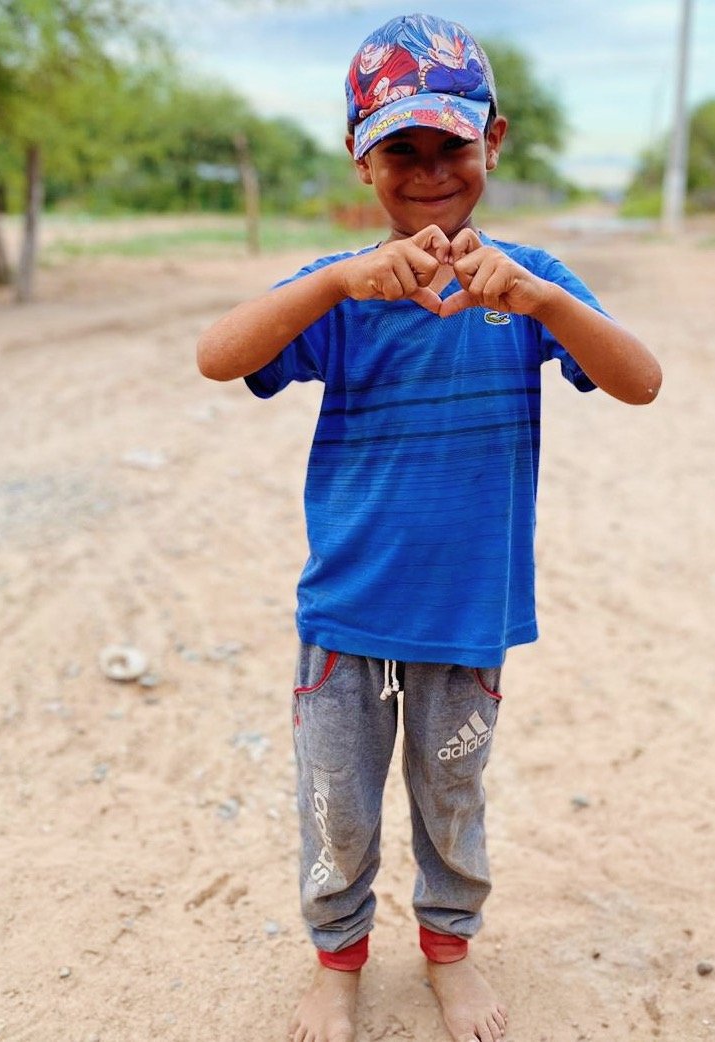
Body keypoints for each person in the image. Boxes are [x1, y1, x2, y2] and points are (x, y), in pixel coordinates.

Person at [196, 13, 662, 1042]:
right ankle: (336, 962)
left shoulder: (528, 284)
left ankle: (449, 951)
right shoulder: (344, 293)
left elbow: (639, 381)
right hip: (346, 615)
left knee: (452, 797)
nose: (427, 171)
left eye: (449, 144)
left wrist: (545, 303)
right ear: (359, 159)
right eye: (398, 149)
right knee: (338, 805)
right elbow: (218, 357)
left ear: (492, 141)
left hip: (467, 614)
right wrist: (331, 282)